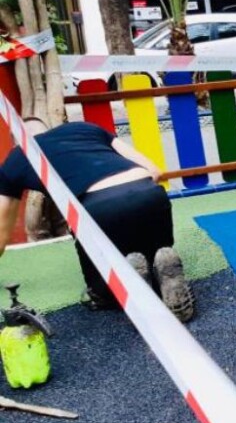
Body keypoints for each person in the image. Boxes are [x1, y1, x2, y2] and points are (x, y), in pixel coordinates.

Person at [0, 118, 195, 322]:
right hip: (149, 194)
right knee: (151, 254)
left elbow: (1, 236)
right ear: (49, 129)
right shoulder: (84, 128)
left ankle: (117, 289)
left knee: (101, 293)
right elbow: (155, 171)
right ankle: (158, 265)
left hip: (97, 208)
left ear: (17, 142)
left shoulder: (16, 158)